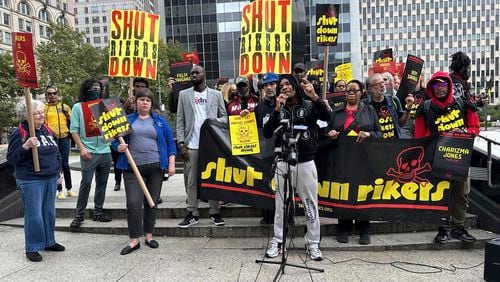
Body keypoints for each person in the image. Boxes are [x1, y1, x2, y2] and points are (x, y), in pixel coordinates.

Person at [263, 74, 330, 261]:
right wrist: (277, 110)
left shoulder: (309, 105)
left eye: (288, 84)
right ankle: (278, 241)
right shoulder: (278, 108)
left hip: (306, 162)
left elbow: (328, 117)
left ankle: (313, 243)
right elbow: (267, 133)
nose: (285, 87)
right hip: (282, 162)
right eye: (281, 85)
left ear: (295, 86)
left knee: (310, 204)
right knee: (280, 205)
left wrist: (315, 97)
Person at [414, 71, 480, 244]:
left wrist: (464, 132)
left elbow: (475, 127)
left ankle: (458, 227)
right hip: (436, 159)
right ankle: (442, 229)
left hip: (460, 158)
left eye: (443, 85)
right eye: (436, 85)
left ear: (449, 86)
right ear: (431, 88)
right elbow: (419, 136)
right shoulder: (426, 108)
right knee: (440, 194)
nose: (440, 89)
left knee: (462, 193)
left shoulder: (462, 104)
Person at [111, 89, 176, 255]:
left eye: (148, 100)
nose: (145, 102)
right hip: (132, 169)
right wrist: (117, 147)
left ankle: (148, 235)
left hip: (155, 168)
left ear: (151, 103)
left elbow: (170, 143)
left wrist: (171, 163)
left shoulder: (160, 121)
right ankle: (134, 239)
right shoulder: (127, 120)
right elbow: (114, 140)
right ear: (136, 102)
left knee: (151, 202)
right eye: (141, 99)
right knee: (133, 203)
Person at [7, 99, 65, 262]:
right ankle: (32, 247)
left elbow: (56, 152)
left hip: (50, 177)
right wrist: (25, 147)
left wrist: (58, 170)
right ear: (26, 116)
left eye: (41, 112)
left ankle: (49, 241)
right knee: (34, 215)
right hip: (31, 179)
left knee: (48, 212)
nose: (41, 115)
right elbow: (11, 158)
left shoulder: (47, 130)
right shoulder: (19, 133)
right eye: (36, 113)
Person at [326, 80, 382, 245]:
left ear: (361, 92)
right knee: (343, 192)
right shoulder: (336, 113)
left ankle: (364, 229)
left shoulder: (370, 111)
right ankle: (343, 227)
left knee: (363, 193)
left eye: (354, 90)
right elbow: (326, 133)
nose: (350, 93)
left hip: (363, 160)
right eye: (348, 90)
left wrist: (369, 134)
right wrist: (331, 134)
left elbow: (379, 133)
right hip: (341, 159)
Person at [176, 65, 228, 228]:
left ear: (205, 75)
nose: (193, 75)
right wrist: (181, 143)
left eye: (197, 72)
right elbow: (180, 121)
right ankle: (192, 213)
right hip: (191, 145)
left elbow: (225, 117)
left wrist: (213, 121)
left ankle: (215, 212)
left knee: (212, 179)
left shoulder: (216, 94)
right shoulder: (183, 95)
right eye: (192, 73)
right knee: (191, 181)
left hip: (211, 144)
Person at [70, 78, 112, 228]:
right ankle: (79, 215)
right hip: (88, 152)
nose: (96, 90)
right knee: (86, 183)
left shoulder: (105, 106)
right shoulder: (77, 107)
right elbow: (74, 130)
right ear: (86, 90)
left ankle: (98, 212)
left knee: (102, 184)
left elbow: (115, 126)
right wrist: (81, 148)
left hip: (105, 151)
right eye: (92, 88)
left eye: (98, 88)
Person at [254, 72, 279, 224]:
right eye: (266, 85)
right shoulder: (260, 108)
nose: (269, 88)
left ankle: (286, 215)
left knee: (284, 186)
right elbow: (256, 129)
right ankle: (268, 213)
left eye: (272, 84)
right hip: (266, 153)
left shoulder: (287, 103)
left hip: (283, 151)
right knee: (266, 184)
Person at [44, 85, 76, 199]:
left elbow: (73, 122)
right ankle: (59, 190)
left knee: (65, 164)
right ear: (46, 95)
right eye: (49, 93)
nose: (52, 95)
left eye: (54, 93)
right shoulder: (43, 108)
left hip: (64, 138)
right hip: (51, 139)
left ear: (57, 94)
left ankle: (69, 188)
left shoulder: (64, 107)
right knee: (56, 164)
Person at [363, 73, 413, 139]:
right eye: (377, 84)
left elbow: (401, 124)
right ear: (370, 89)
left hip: (393, 144)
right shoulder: (364, 105)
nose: (382, 85)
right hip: (375, 145)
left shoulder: (394, 100)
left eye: (382, 82)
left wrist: (408, 109)